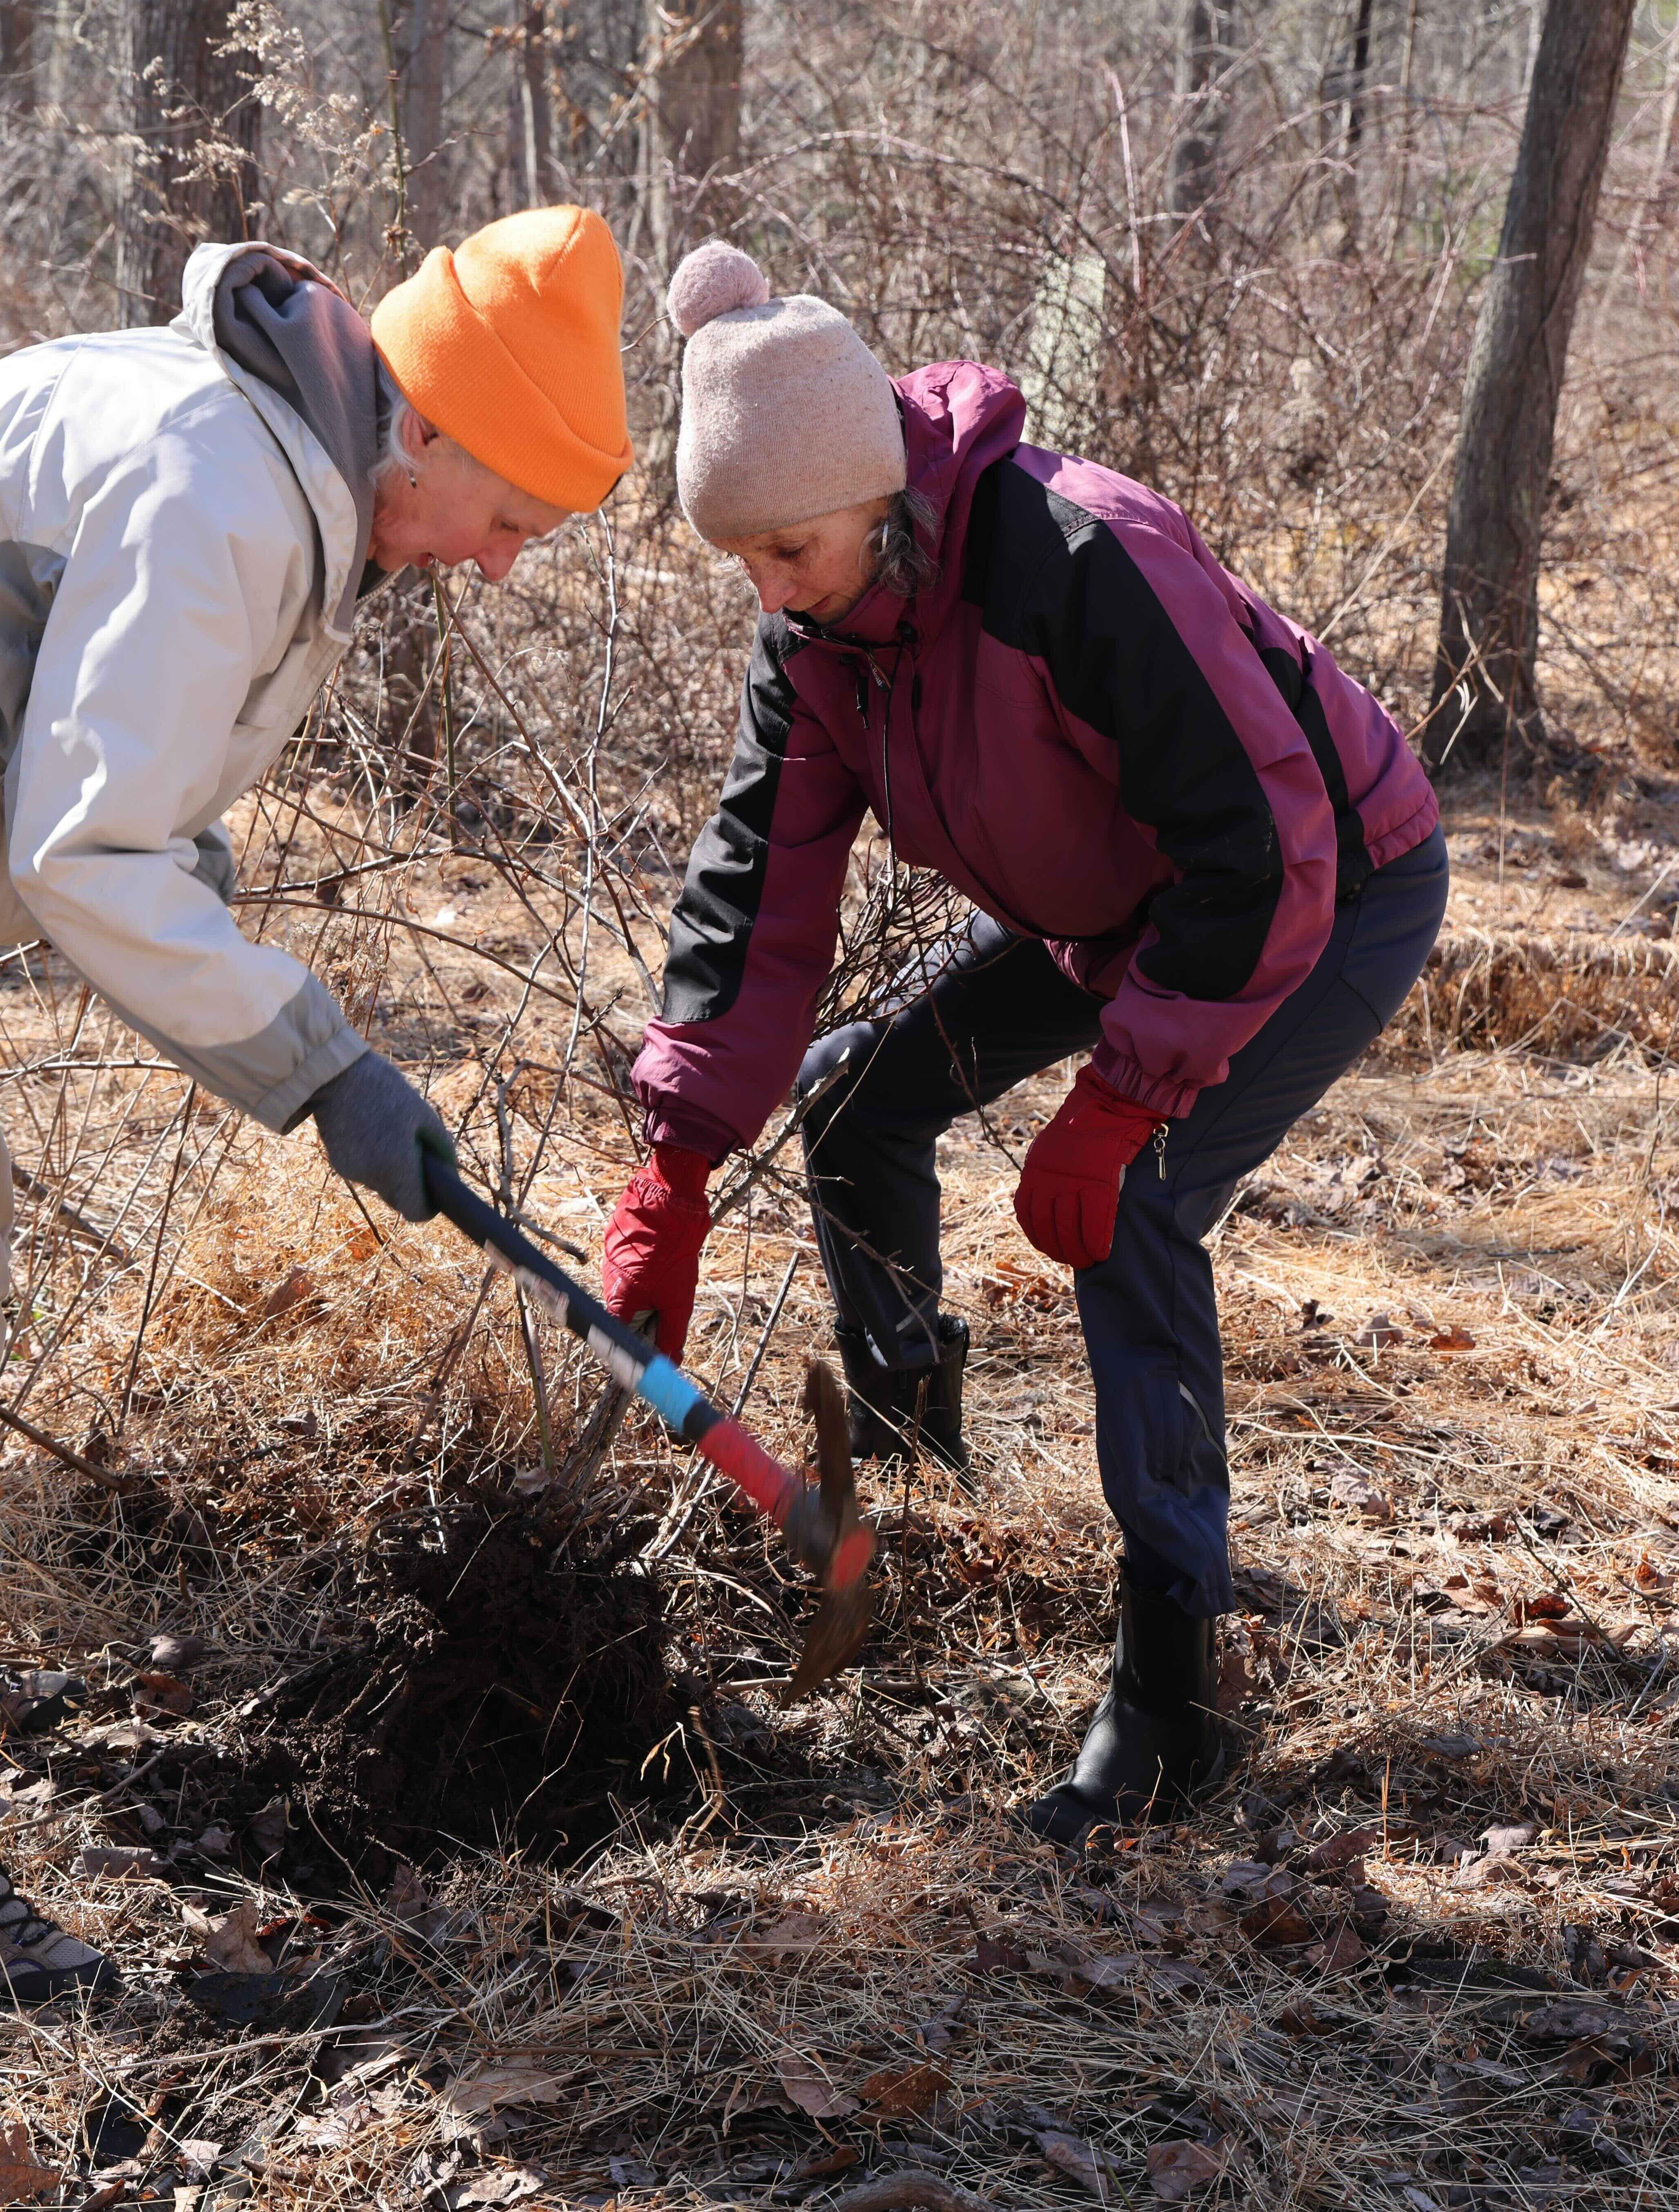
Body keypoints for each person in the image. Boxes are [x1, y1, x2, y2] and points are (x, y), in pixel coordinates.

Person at [0, 209, 632, 1999]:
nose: (506, 567)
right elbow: (89, 855)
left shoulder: (283, 471)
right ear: (439, 432)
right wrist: (323, 1066)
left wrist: (268, 995)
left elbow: (117, 780)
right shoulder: (222, 486)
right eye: (514, 521)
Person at [598, 244, 1445, 1841]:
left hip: (1321, 887)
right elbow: (756, 888)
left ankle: (1171, 1690)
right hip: (1114, 908)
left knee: (1130, 1214)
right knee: (857, 1101)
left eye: (788, 548)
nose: (769, 591)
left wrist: (1122, 1097)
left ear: (874, 495)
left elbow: (1260, 853)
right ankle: (917, 1480)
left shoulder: (1077, 557)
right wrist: (675, 1163)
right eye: (743, 563)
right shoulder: (819, 637)